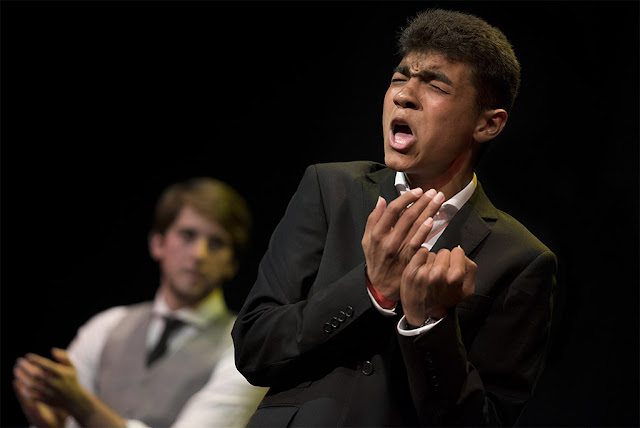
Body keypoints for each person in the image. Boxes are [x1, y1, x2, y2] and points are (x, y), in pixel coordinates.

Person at [232, 8, 556, 427]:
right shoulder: (330, 189)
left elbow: (484, 421)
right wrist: (371, 290)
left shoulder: (521, 258)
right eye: (400, 78)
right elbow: (254, 347)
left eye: (436, 85)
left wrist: (430, 326)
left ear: (488, 124)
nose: (404, 95)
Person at [13, 178, 268, 428]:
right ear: (158, 243)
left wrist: (82, 406)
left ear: (232, 264)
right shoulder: (106, 327)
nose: (198, 254)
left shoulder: (244, 350)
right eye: (187, 235)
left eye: (216, 243)